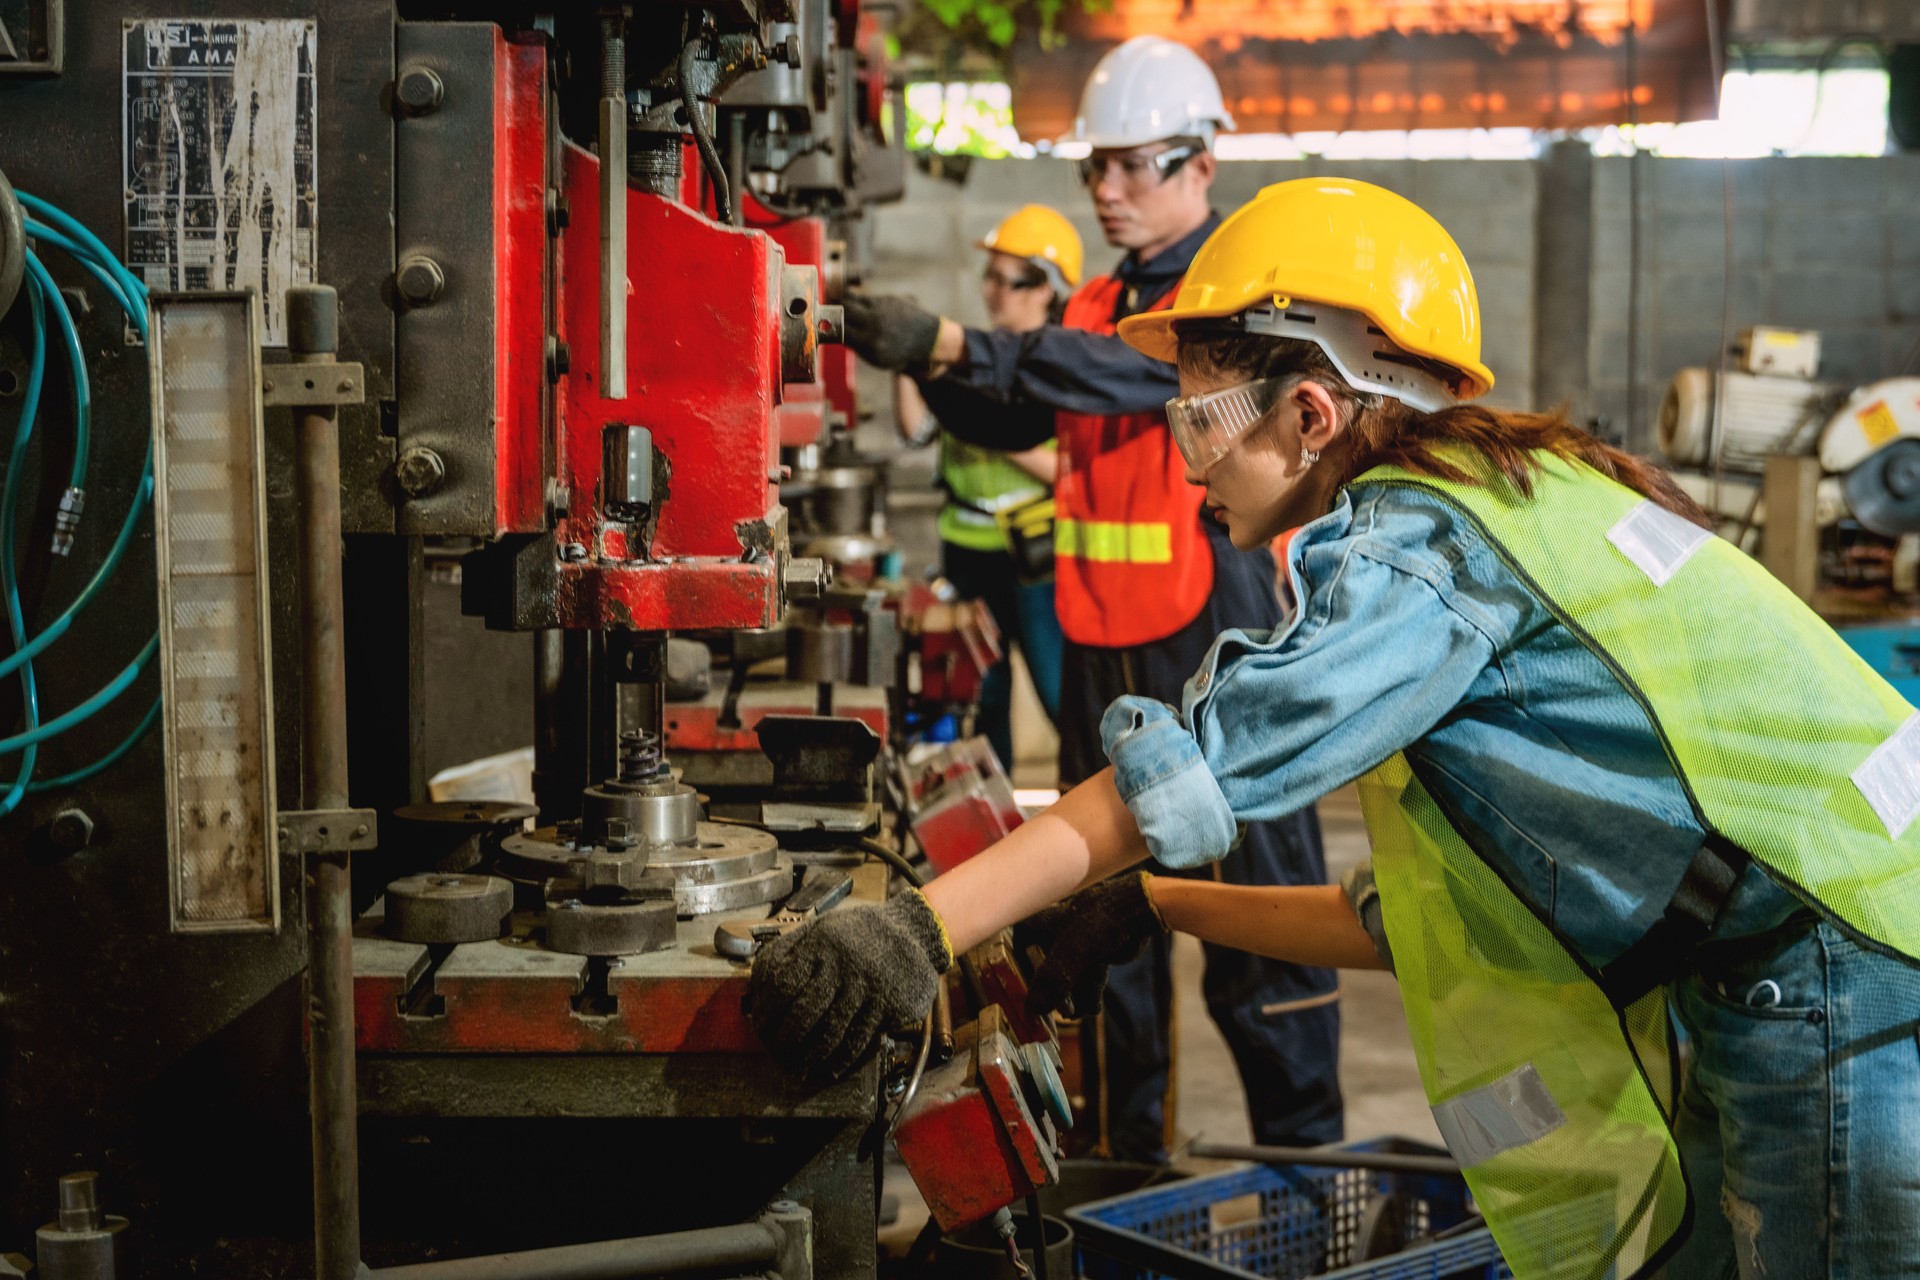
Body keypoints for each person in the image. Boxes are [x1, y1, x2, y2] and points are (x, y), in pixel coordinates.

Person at [752, 178, 1920, 1278]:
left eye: (1199, 424)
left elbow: (1194, 766)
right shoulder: (1492, 497)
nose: (1190, 463)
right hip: (1811, 942)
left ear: (1310, 412)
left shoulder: (1418, 551)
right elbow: (1412, 920)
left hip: (1833, 963)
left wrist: (913, 934)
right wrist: (1154, 904)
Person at [836, 36, 1343, 1161]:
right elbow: (1026, 409)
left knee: (1263, 935)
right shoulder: (1109, 288)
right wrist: (923, 359)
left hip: (1220, 632)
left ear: (1201, 162)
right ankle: (1120, 1172)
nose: (1106, 189)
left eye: (1132, 165)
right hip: (1105, 641)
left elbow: (1123, 373)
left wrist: (965, 339)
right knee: (1104, 930)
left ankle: (1312, 1172)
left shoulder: (1236, 291)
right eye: (1094, 169)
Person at [895, 205, 1075, 773]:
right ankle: (999, 838)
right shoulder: (973, 357)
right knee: (982, 694)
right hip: (968, 555)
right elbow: (919, 430)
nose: (993, 291)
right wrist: (909, 360)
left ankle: (1092, 819)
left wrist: (991, 431)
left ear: (1046, 288)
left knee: (1057, 688)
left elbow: (1071, 470)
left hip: (1038, 556)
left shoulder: (1072, 366)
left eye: (1008, 280)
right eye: (989, 278)